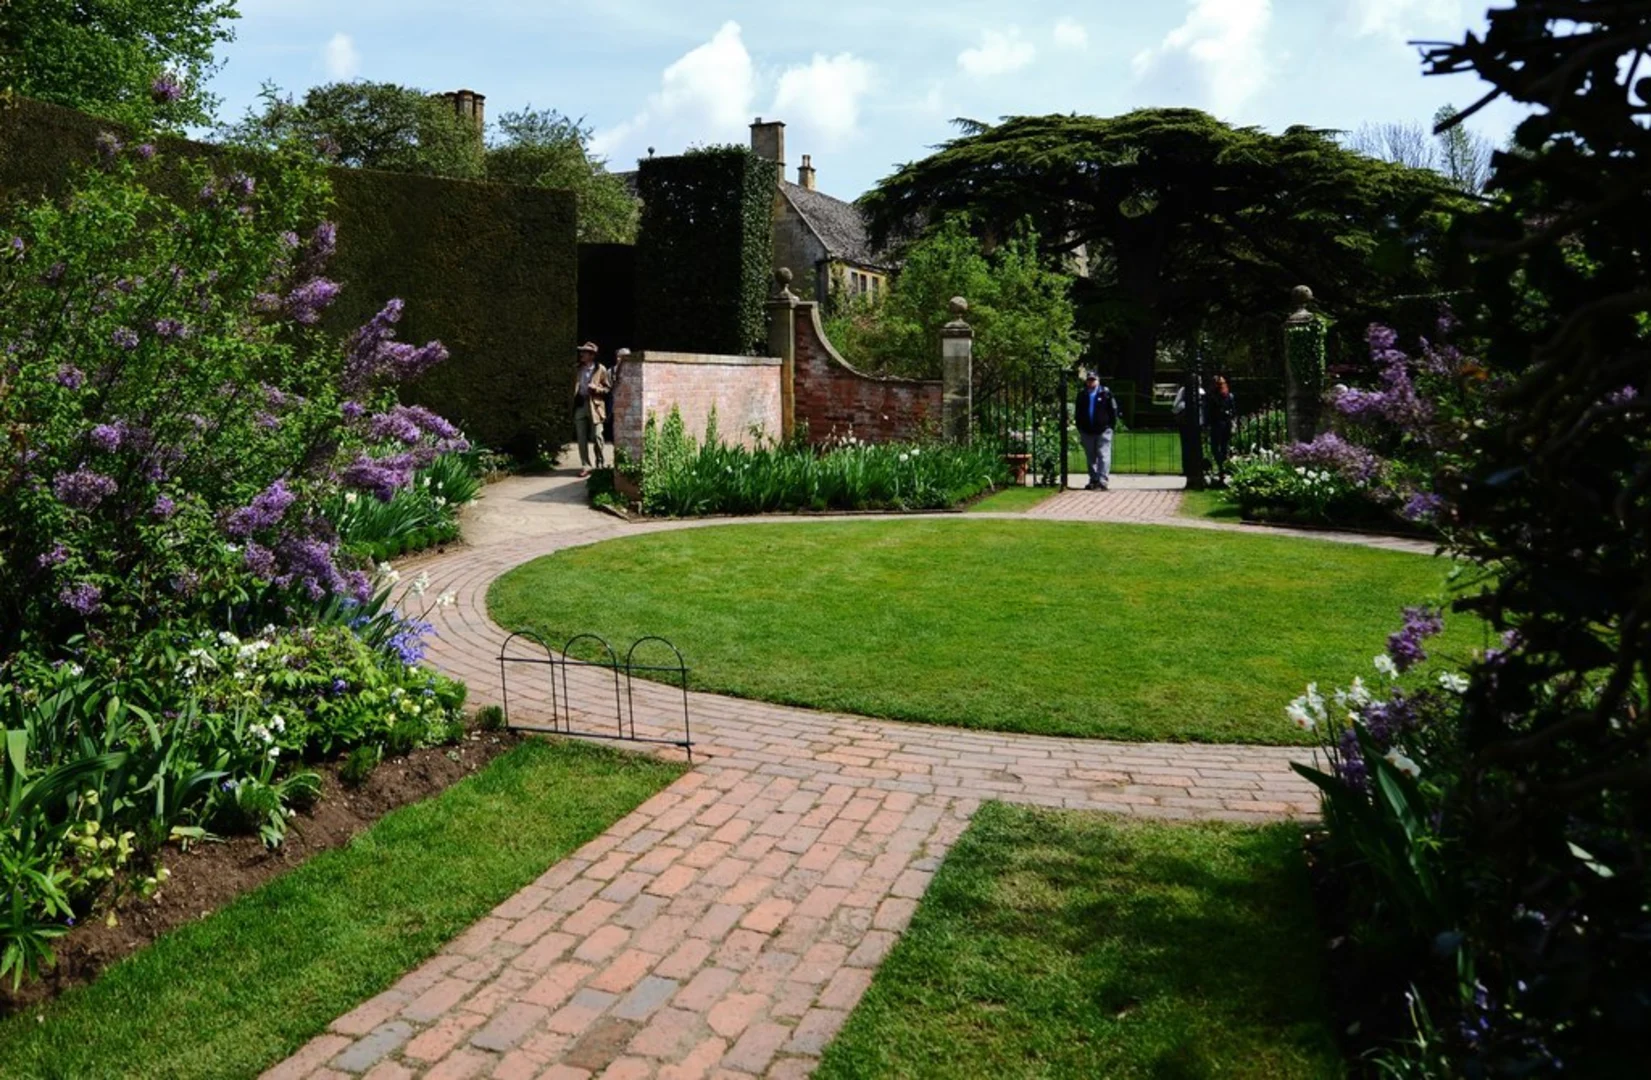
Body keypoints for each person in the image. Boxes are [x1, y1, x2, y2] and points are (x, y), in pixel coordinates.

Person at [1073, 370, 1120, 490]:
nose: (1091, 382)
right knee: (1090, 456)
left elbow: (1113, 411)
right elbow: (1077, 412)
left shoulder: (1106, 393)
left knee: (1103, 455)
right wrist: (1080, 427)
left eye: (1093, 380)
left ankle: (1102, 480)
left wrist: (1110, 427)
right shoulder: (1082, 394)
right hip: (1087, 430)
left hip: (1103, 429)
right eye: (1089, 380)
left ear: (1098, 380)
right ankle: (1093, 479)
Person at [571, 341, 611, 477]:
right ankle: (585, 466)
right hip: (580, 405)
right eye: (581, 351)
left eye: (585, 352)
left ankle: (599, 464)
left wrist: (597, 389)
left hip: (595, 406)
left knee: (597, 436)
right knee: (581, 438)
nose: (581, 354)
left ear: (592, 355)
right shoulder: (577, 368)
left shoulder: (601, 369)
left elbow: (608, 388)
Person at [1173, 377, 1208, 480]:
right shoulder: (1195, 391)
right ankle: (1192, 469)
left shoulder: (1199, 392)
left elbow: (1175, 407)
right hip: (1192, 422)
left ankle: (1192, 469)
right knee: (1191, 446)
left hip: (1194, 423)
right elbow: (1176, 406)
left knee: (1189, 446)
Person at [1209, 374, 1236, 477]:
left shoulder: (1213, 396)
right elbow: (1233, 411)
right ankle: (1223, 467)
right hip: (1226, 423)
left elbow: (1210, 411)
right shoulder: (1229, 395)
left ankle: (1221, 467)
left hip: (1217, 424)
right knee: (1224, 447)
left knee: (1215, 447)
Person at [602, 348, 629, 445]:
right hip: (614, 399)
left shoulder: (631, 370)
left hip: (627, 400)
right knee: (612, 419)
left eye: (622, 357)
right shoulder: (610, 371)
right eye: (618, 357)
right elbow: (607, 386)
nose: (619, 359)